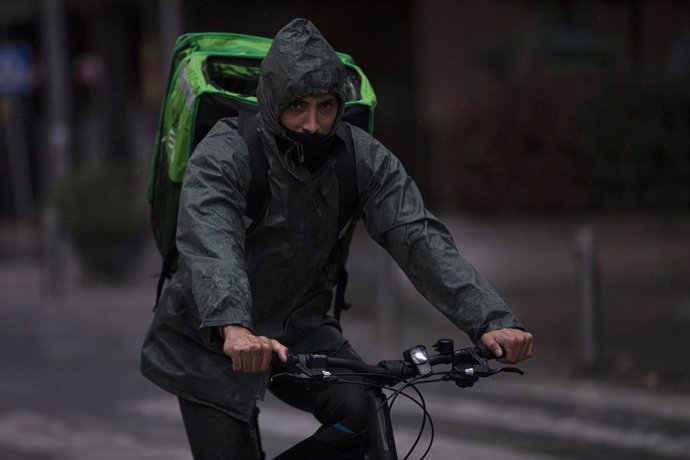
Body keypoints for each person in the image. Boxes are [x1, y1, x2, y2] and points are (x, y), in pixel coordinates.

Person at [141, 18, 533, 460]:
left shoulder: (360, 157)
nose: (313, 124)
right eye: (298, 107)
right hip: (208, 343)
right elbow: (213, 242)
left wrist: (491, 318)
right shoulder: (224, 154)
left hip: (302, 332)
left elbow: (418, 236)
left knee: (362, 410)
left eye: (326, 106)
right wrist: (234, 326)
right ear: (272, 102)